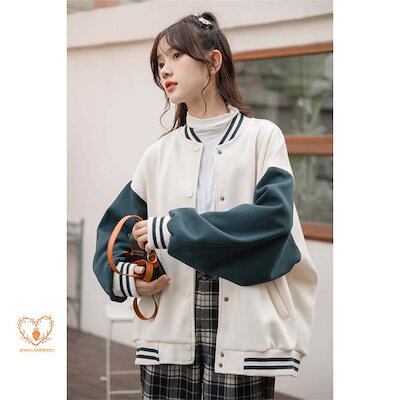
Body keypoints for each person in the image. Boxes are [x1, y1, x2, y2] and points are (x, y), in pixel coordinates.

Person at [93, 11, 318, 400]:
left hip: (245, 326)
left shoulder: (262, 138)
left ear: (213, 62)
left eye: (176, 56)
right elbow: (112, 238)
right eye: (159, 62)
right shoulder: (158, 154)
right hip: (168, 330)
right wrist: (131, 278)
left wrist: (173, 229)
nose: (165, 69)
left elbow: (273, 219)